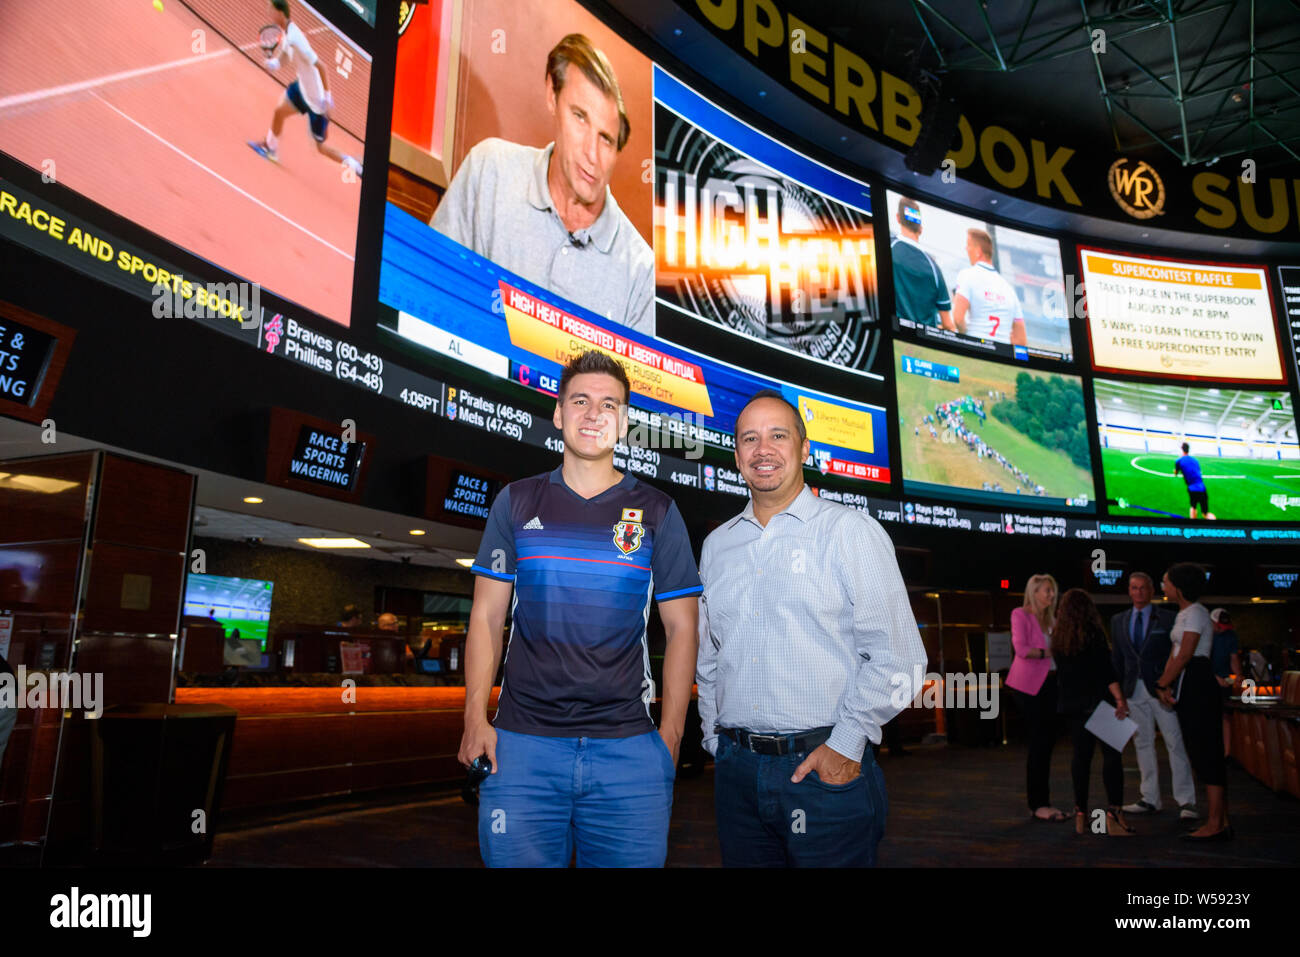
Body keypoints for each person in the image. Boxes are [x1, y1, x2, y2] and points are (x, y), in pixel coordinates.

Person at [457, 350, 701, 867]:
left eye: (609, 404)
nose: (594, 414)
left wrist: (671, 737)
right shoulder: (517, 502)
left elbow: (683, 629)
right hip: (520, 748)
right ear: (558, 413)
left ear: (626, 421)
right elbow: (485, 618)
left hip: (629, 750)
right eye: (581, 401)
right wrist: (474, 718)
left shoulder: (658, 511)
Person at [696, 390, 926, 867]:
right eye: (750, 439)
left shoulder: (849, 532)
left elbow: (900, 658)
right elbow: (710, 658)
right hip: (736, 775)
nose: (764, 449)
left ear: (804, 449)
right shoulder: (717, 546)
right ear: (737, 456)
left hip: (824, 771)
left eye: (778, 436)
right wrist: (715, 741)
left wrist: (845, 746)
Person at [432, 34, 653, 334]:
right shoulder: (489, 171)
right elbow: (432, 294)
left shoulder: (642, 272)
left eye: (606, 139)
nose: (591, 154)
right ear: (552, 95)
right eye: (579, 117)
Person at [1155, 563, 1232, 841]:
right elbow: (1175, 655)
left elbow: (1186, 653)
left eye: (1165, 581)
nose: (1162, 586)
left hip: (1199, 682)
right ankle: (1218, 820)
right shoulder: (1184, 614)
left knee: (1208, 754)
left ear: (1179, 586)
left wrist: (1164, 683)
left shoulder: (1197, 613)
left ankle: (1216, 823)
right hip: (1188, 683)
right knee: (1199, 753)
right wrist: (1162, 685)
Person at [1112, 572, 1197, 820]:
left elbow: (1179, 654)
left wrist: (1170, 684)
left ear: (1151, 591)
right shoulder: (1118, 620)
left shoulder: (1169, 618)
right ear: (1129, 591)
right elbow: (1117, 659)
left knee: (1175, 742)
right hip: (1132, 690)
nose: (1138, 592)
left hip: (1161, 689)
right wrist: (1119, 695)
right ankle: (1150, 798)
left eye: (1143, 588)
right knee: (1142, 744)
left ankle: (1187, 802)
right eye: (1134, 588)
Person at [247, 0, 364, 177]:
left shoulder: (296, 38)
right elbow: (285, 55)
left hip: (317, 101)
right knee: (279, 112)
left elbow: (322, 66)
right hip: (301, 88)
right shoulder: (286, 34)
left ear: (280, 13)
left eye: (271, 9)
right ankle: (271, 148)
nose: (268, 11)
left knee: (320, 148)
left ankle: (353, 164)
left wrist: (327, 97)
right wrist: (275, 63)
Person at [1053, 588, 1132, 836]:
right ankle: (1114, 815)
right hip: (1100, 703)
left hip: (1074, 705)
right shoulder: (1094, 634)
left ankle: (1080, 814)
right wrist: (1120, 699)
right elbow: (1105, 671)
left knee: (1081, 758)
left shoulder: (1058, 637)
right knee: (1111, 758)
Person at [1006, 573, 1065, 822]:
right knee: (1040, 742)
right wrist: (1052, 651)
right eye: (1046, 591)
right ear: (1034, 592)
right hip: (1027, 686)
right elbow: (1021, 650)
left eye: (1052, 591)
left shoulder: (1054, 618)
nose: (1051, 595)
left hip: (1051, 684)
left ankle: (1042, 802)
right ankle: (1038, 804)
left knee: (1047, 742)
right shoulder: (1020, 614)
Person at [951, 228, 1026, 346]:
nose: (966, 249)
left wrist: (964, 335)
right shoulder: (1009, 289)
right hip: (1001, 354)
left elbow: (958, 318)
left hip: (975, 346)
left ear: (978, 251)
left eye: (968, 245)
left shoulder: (967, 275)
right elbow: (1021, 339)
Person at [890, 196, 953, 331]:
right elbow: (948, 324)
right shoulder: (934, 268)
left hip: (893, 335)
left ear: (897, 218)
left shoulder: (888, 248)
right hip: (923, 346)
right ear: (920, 229)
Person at [1209, 608, 1241, 756]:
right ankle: (1211, 751)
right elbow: (1202, 661)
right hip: (1208, 680)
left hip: (1225, 680)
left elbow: (1233, 657)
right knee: (1210, 716)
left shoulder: (1230, 636)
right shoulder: (1206, 636)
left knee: (1226, 716)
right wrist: (1215, 677)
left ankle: (1226, 754)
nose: (1222, 630)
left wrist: (1238, 675)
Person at [1174, 443, 1213, 520]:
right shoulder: (1195, 460)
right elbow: (1198, 472)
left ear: (1182, 449)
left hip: (1192, 488)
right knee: (1206, 513)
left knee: (1193, 508)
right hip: (1202, 488)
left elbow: (1175, 473)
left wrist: (1176, 471)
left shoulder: (1178, 461)